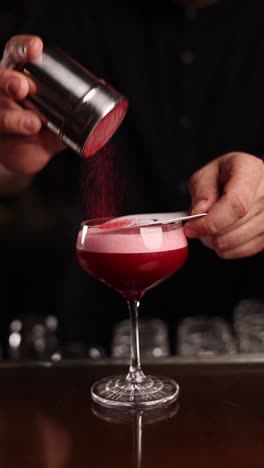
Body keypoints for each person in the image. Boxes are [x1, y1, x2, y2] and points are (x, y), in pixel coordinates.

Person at [0, 0, 263, 354]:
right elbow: (12, 178)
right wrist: (8, 162)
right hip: (98, 332)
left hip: (245, 328)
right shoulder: (72, 11)